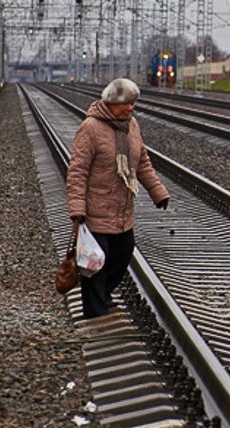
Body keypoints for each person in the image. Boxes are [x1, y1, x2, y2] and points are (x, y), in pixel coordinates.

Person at [66, 78, 170, 319]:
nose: (130, 108)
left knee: (123, 253)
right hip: (95, 209)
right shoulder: (90, 128)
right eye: (126, 103)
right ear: (111, 103)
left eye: (133, 103)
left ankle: (102, 295)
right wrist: (77, 208)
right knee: (94, 264)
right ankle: (95, 312)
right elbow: (77, 170)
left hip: (122, 209)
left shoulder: (132, 126)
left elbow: (141, 161)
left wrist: (158, 192)